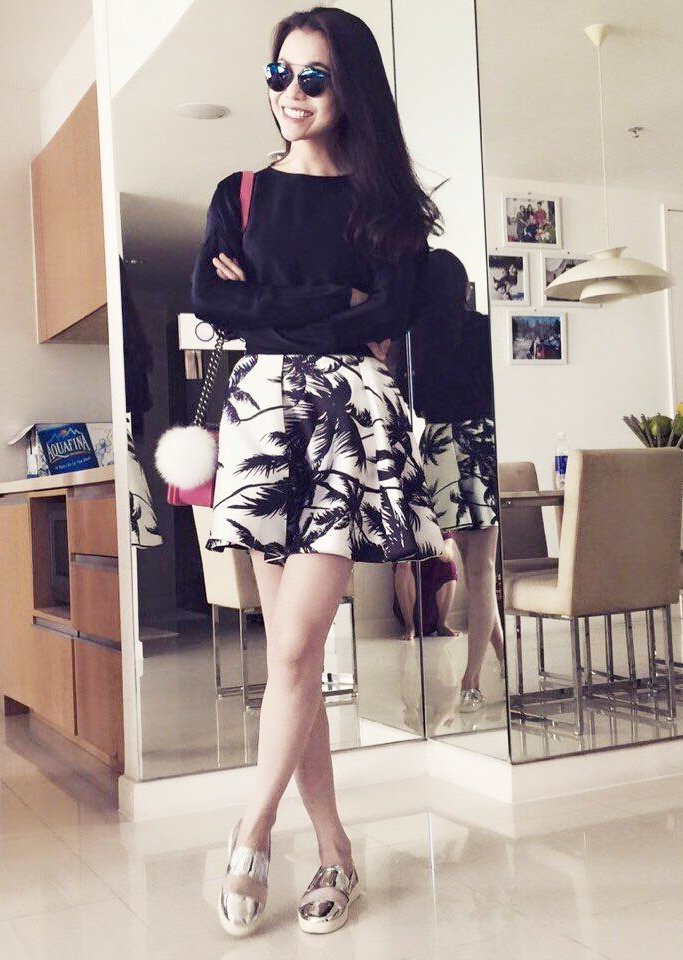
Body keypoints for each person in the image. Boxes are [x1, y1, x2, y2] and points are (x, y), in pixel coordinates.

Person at [190, 7, 445, 939]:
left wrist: (268, 303)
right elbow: (209, 301)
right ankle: (335, 850)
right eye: (279, 73)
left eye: (313, 77)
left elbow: (389, 316)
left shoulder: (386, 209)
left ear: (351, 88)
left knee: (297, 648)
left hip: (343, 423)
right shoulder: (240, 193)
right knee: (290, 661)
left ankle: (251, 833)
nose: (290, 93)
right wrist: (330, 300)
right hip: (262, 423)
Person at [411, 250, 505, 714]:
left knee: (473, 565)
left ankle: (501, 660)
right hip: (477, 439)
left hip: (437, 445)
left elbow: (416, 402)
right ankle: (471, 679)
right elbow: (496, 392)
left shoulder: (416, 336)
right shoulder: (483, 328)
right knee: (481, 568)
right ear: (463, 287)